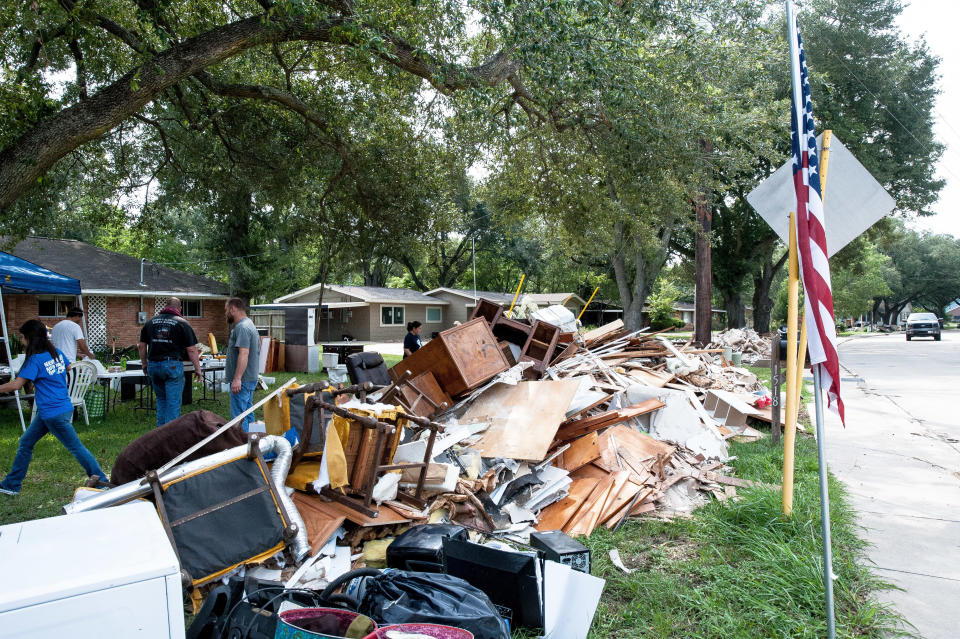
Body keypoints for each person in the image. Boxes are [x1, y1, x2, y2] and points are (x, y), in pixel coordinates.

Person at [0, 319, 106, 495]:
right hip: (58, 408)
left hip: (53, 413)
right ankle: (12, 484)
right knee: (26, 442)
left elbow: (15, 386)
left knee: (76, 447)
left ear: (29, 338)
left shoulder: (34, 360)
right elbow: (69, 367)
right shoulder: (56, 352)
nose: (21, 341)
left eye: (22, 337)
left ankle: (102, 482)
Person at [137, 297, 202, 427]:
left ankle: (160, 435)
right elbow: (192, 350)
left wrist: (144, 363)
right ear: (179, 309)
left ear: (165, 306)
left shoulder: (150, 322)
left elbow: (141, 346)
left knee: (161, 401)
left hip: (154, 365)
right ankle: (170, 437)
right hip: (172, 365)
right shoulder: (182, 323)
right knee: (173, 403)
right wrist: (197, 369)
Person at [224, 297, 260, 429]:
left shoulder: (242, 327)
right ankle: (252, 443)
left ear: (233, 309)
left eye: (226, 310)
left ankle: (242, 446)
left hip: (243, 380)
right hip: (249, 378)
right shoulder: (249, 324)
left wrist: (237, 379)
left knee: (238, 418)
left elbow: (244, 353)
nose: (225, 313)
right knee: (248, 413)